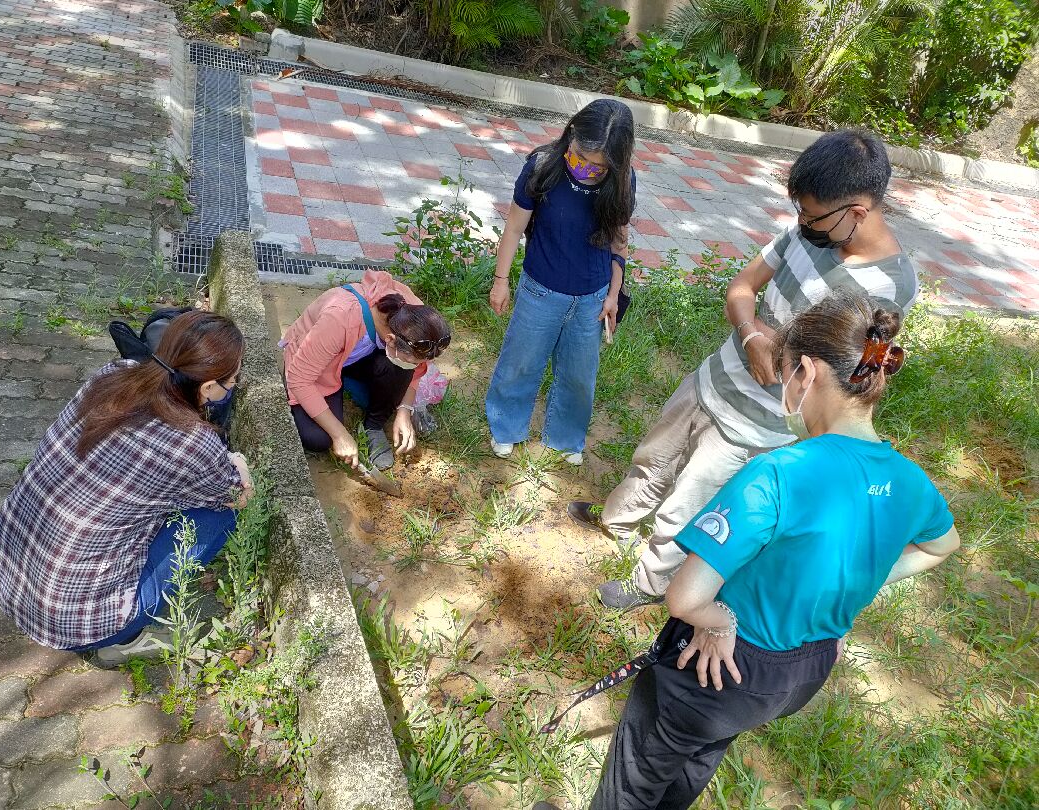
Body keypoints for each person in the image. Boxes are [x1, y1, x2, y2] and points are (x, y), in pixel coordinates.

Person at [539, 294, 959, 810]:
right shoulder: (911, 482)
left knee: (639, 772)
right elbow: (943, 544)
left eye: (783, 374)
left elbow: (686, 598)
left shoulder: (779, 473)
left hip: (718, 664)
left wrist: (719, 621)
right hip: (801, 673)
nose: (783, 387)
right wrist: (861, 578)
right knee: (697, 756)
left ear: (805, 373)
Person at [568, 128, 920, 609]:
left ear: (857, 211)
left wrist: (784, 362)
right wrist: (752, 335)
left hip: (756, 423)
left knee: (687, 505)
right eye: (801, 212)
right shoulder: (810, 230)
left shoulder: (888, 287)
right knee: (653, 458)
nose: (803, 224)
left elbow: (846, 378)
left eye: (813, 215)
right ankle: (618, 522)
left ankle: (647, 584)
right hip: (712, 379)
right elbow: (741, 288)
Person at [0, 311, 253, 666]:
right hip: (79, 620)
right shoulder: (192, 443)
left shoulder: (112, 375)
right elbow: (238, 494)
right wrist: (238, 464)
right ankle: (123, 639)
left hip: (8, 578)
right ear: (207, 387)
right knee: (221, 517)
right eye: (231, 381)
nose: (231, 388)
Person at [486, 99, 636, 465]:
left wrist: (614, 294)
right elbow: (515, 226)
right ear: (571, 134)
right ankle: (506, 427)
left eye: (598, 167)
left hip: (593, 297)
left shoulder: (622, 181)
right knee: (521, 362)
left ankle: (567, 438)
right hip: (540, 290)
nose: (585, 169)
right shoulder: (542, 167)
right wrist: (501, 280)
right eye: (580, 156)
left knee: (579, 375)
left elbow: (619, 243)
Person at [281, 269, 451, 470]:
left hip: (357, 358)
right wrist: (340, 435)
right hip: (319, 367)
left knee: (400, 366)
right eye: (411, 361)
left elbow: (416, 369)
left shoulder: (416, 317)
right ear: (390, 340)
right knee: (318, 438)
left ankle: (374, 426)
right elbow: (299, 379)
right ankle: (342, 384)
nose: (416, 367)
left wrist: (405, 410)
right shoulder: (340, 318)